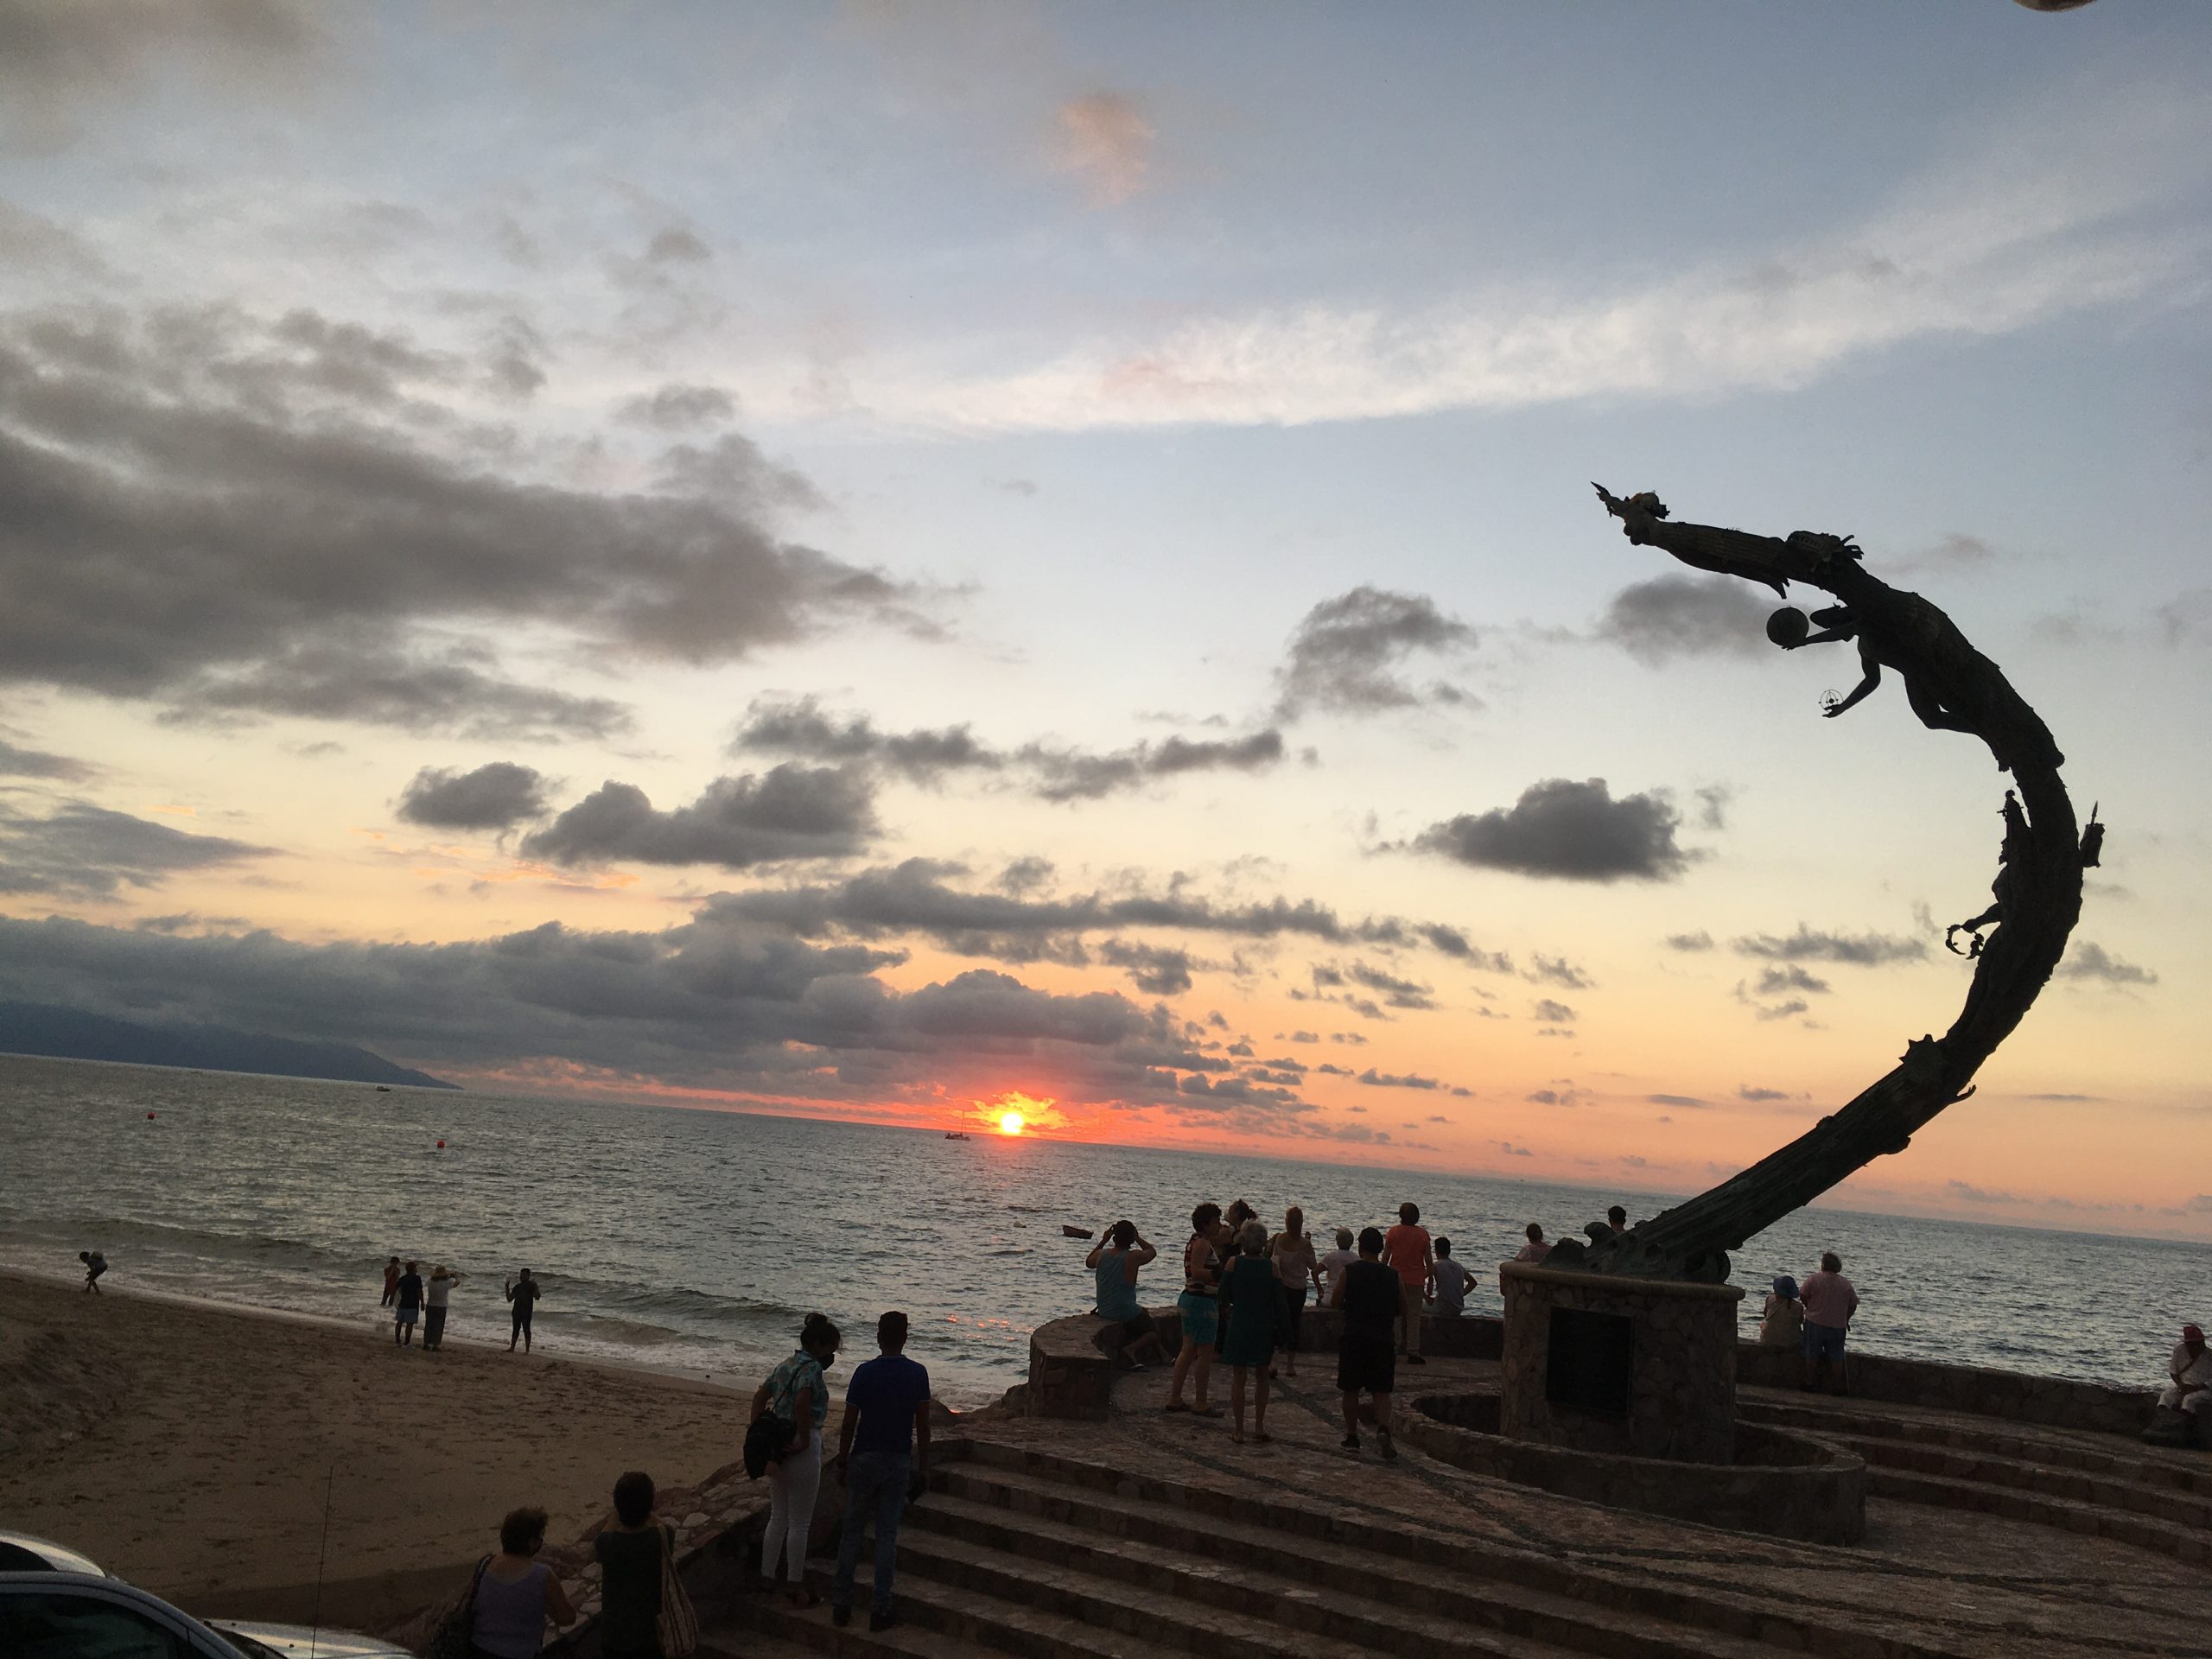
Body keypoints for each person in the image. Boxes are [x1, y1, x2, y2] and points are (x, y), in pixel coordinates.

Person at [831, 1311, 932, 1633]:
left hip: (864, 1456)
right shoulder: (917, 1374)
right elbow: (924, 1425)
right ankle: (880, 1609)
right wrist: (925, 1464)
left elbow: (849, 1423)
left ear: (879, 1336)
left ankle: (842, 1605)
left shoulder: (864, 1373)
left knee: (852, 1532)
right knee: (887, 1536)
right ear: (905, 1337)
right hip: (898, 1458)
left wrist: (842, 1459)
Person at [756, 1312, 839, 1607]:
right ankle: (794, 1584)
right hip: (801, 1446)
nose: (832, 1356)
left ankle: (766, 1578)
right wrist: (804, 1439)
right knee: (800, 1522)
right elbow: (803, 1401)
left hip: (777, 1446)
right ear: (819, 1345)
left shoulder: (785, 1364)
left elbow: (759, 1397)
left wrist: (760, 1436)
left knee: (778, 1516)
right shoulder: (812, 1368)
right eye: (831, 1349)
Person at [469, 1506, 576, 1659]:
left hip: (480, 1650)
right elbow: (567, 1618)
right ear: (531, 1542)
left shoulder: (485, 1564)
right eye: (540, 1538)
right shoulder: (542, 1575)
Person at [1330, 1227, 1399, 1459]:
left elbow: (1336, 1301)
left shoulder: (1350, 1272)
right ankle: (1384, 1429)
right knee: (1381, 1391)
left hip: (1355, 1336)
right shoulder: (1393, 1275)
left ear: (1360, 1247)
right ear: (1380, 1249)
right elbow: (1404, 1307)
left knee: (1350, 1389)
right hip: (1383, 1338)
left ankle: (1352, 1436)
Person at [1216, 1219, 1287, 1445]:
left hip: (1240, 1323)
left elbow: (1222, 1296)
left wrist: (1229, 1312)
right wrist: (1285, 1334)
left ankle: (1238, 1430)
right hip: (1263, 1326)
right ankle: (1258, 1426)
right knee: (1262, 1377)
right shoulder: (1271, 1268)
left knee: (1239, 1377)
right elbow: (1280, 1303)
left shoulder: (1233, 1264)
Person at [594, 1471, 666, 1659]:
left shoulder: (607, 1544)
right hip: (650, 1633)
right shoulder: (660, 1539)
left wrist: (618, 1510)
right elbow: (665, 1528)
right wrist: (646, 1510)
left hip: (615, 1635)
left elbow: (604, 1534)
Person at [1165, 1203, 1223, 1416]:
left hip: (1191, 1300)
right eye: (1216, 1222)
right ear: (1206, 1225)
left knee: (1187, 1350)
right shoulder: (1203, 1245)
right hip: (1202, 1302)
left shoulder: (1195, 1242)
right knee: (1204, 1353)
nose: (1219, 1226)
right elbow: (1197, 1272)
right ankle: (1200, 1402)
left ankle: (1175, 1398)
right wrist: (1220, 1275)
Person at [1085, 1220, 1165, 1370]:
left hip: (1104, 1309)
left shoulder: (1101, 1255)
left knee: (1144, 1313)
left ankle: (1163, 1354)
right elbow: (1152, 1252)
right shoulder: (1133, 1256)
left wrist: (1103, 1240)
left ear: (1114, 1238)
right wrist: (1139, 1238)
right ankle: (1131, 1349)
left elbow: (1088, 1262)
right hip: (1124, 1310)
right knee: (1154, 1332)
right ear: (1131, 1238)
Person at [1268, 1208, 1319, 1379]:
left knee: (1277, 1322)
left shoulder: (1280, 1239)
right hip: (1298, 1288)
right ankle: (1290, 1365)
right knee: (1294, 1324)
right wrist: (1309, 1242)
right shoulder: (1304, 1244)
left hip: (1282, 1286)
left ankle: (1274, 1361)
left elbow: (1275, 1261)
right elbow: (1313, 1265)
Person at [1799, 1252, 1859, 1393]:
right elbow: (1853, 1304)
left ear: (1823, 1264)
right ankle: (1836, 1386)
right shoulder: (1846, 1284)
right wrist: (1846, 1318)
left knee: (1811, 1353)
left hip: (1815, 1321)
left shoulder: (1813, 1279)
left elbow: (1803, 1295)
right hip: (1838, 1325)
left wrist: (1810, 1307)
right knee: (1836, 1356)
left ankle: (1809, 1382)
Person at [1383, 1203, 1433, 1364]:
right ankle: (1413, 1351)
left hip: (1395, 1279)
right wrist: (1430, 1279)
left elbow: (1386, 1257)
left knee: (1395, 1315)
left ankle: (1394, 1348)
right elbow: (1428, 1260)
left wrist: (1381, 1274)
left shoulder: (1393, 1232)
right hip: (1416, 1280)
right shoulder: (1423, 1234)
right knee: (1414, 1317)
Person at [2159, 1324, 2209, 1419]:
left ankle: (2187, 1425)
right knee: (2166, 1396)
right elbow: (2173, 1371)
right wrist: (2181, 1386)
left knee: (2189, 1399)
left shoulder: (2210, 1356)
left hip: (2204, 1389)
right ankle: (2163, 1421)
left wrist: (2196, 1388)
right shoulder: (2179, 1350)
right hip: (2183, 1386)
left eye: (2200, 1342)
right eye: (2196, 1343)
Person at [1427, 1237, 1472, 1317]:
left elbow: (1419, 1279)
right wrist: (1460, 1294)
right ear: (1449, 1251)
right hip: (1458, 1308)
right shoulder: (1458, 1266)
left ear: (1436, 1251)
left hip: (1442, 1307)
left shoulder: (1436, 1265)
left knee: (1417, 1305)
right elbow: (1473, 1283)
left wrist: (1426, 1297)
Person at [1759, 1275, 1805, 1351]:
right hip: (1790, 1343)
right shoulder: (1798, 1306)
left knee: (1763, 1323)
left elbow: (1765, 1314)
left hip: (1768, 1340)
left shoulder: (1769, 1299)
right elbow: (1800, 1321)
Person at [423, 1265, 463, 1351]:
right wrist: (457, 1277)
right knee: (438, 1326)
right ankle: (435, 1345)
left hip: (430, 1305)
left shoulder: (430, 1282)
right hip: (441, 1306)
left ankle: (426, 1343)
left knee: (429, 1325)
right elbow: (456, 1283)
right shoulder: (447, 1282)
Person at [1315, 1228, 1357, 1305]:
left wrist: (1320, 1289)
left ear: (1337, 1241)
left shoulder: (1331, 1256)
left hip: (1330, 1296)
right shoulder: (1356, 1259)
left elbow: (1314, 1273)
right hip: (1349, 1298)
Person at [505, 1268, 541, 1353]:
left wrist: (536, 1287)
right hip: (516, 1311)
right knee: (515, 1330)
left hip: (526, 1311)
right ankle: (512, 1348)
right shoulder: (517, 1287)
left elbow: (537, 1297)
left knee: (526, 1330)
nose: (522, 1277)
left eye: (524, 1275)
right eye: (521, 1275)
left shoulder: (531, 1286)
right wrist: (507, 1288)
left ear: (528, 1276)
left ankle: (527, 1350)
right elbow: (509, 1299)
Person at [393, 1259, 423, 1346]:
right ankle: (407, 1342)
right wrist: (422, 1302)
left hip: (403, 1303)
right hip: (413, 1303)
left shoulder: (403, 1279)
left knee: (399, 1322)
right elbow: (419, 1291)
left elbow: (397, 1288)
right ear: (414, 1269)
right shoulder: (417, 1279)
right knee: (409, 1324)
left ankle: (397, 1340)